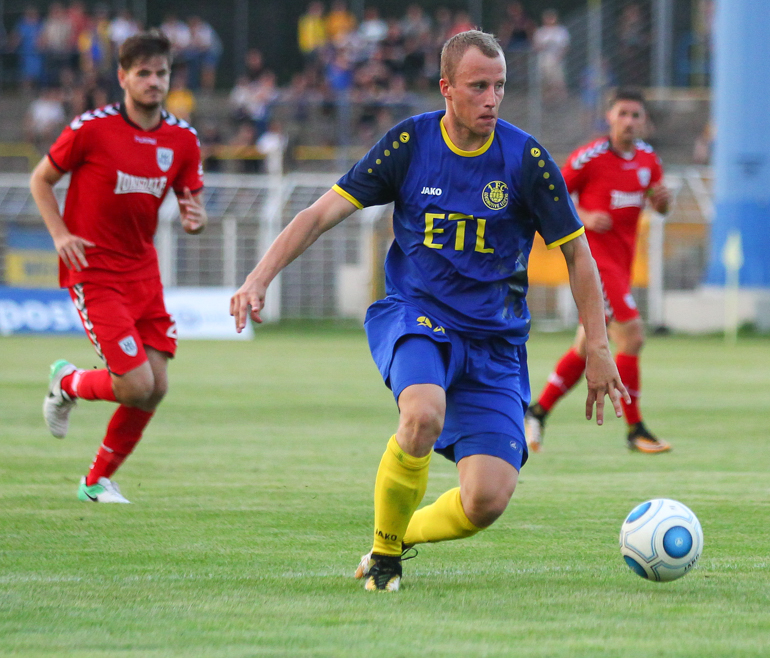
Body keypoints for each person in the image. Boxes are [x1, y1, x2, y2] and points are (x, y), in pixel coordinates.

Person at [230, 30, 626, 591]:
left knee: (486, 500)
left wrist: (598, 345)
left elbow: (577, 254)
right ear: (446, 88)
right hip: (418, 315)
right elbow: (319, 214)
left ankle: (395, 536)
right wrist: (258, 277)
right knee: (421, 413)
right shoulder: (410, 144)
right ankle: (385, 562)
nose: (492, 99)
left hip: (494, 342)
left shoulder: (526, 159)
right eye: (478, 86)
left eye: (500, 86)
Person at [32, 30, 206, 503]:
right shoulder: (91, 128)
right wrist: (60, 235)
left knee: (156, 386)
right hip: (94, 271)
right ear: (123, 77)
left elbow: (192, 207)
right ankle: (67, 382)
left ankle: (95, 482)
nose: (154, 81)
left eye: (161, 73)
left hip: (143, 273)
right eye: (143, 73)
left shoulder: (182, 139)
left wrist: (196, 222)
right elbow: (41, 180)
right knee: (135, 385)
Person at [525, 88, 672, 455]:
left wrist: (662, 204)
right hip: (594, 264)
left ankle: (538, 411)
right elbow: (551, 195)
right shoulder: (589, 157)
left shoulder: (649, 160)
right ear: (609, 118)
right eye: (622, 113)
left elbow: (659, 205)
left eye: (636, 115)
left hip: (622, 264)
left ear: (644, 121)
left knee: (583, 346)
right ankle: (635, 429)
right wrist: (586, 216)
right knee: (632, 335)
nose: (629, 121)